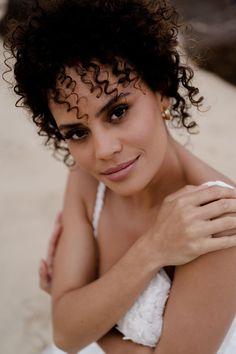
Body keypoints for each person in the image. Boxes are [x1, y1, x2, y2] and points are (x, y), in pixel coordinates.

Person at [3, 0, 236, 353]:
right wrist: (154, 248)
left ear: (161, 90)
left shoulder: (218, 218)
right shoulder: (87, 178)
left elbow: (71, 329)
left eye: (118, 111)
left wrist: (87, 310)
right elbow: (65, 333)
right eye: (77, 133)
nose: (103, 149)